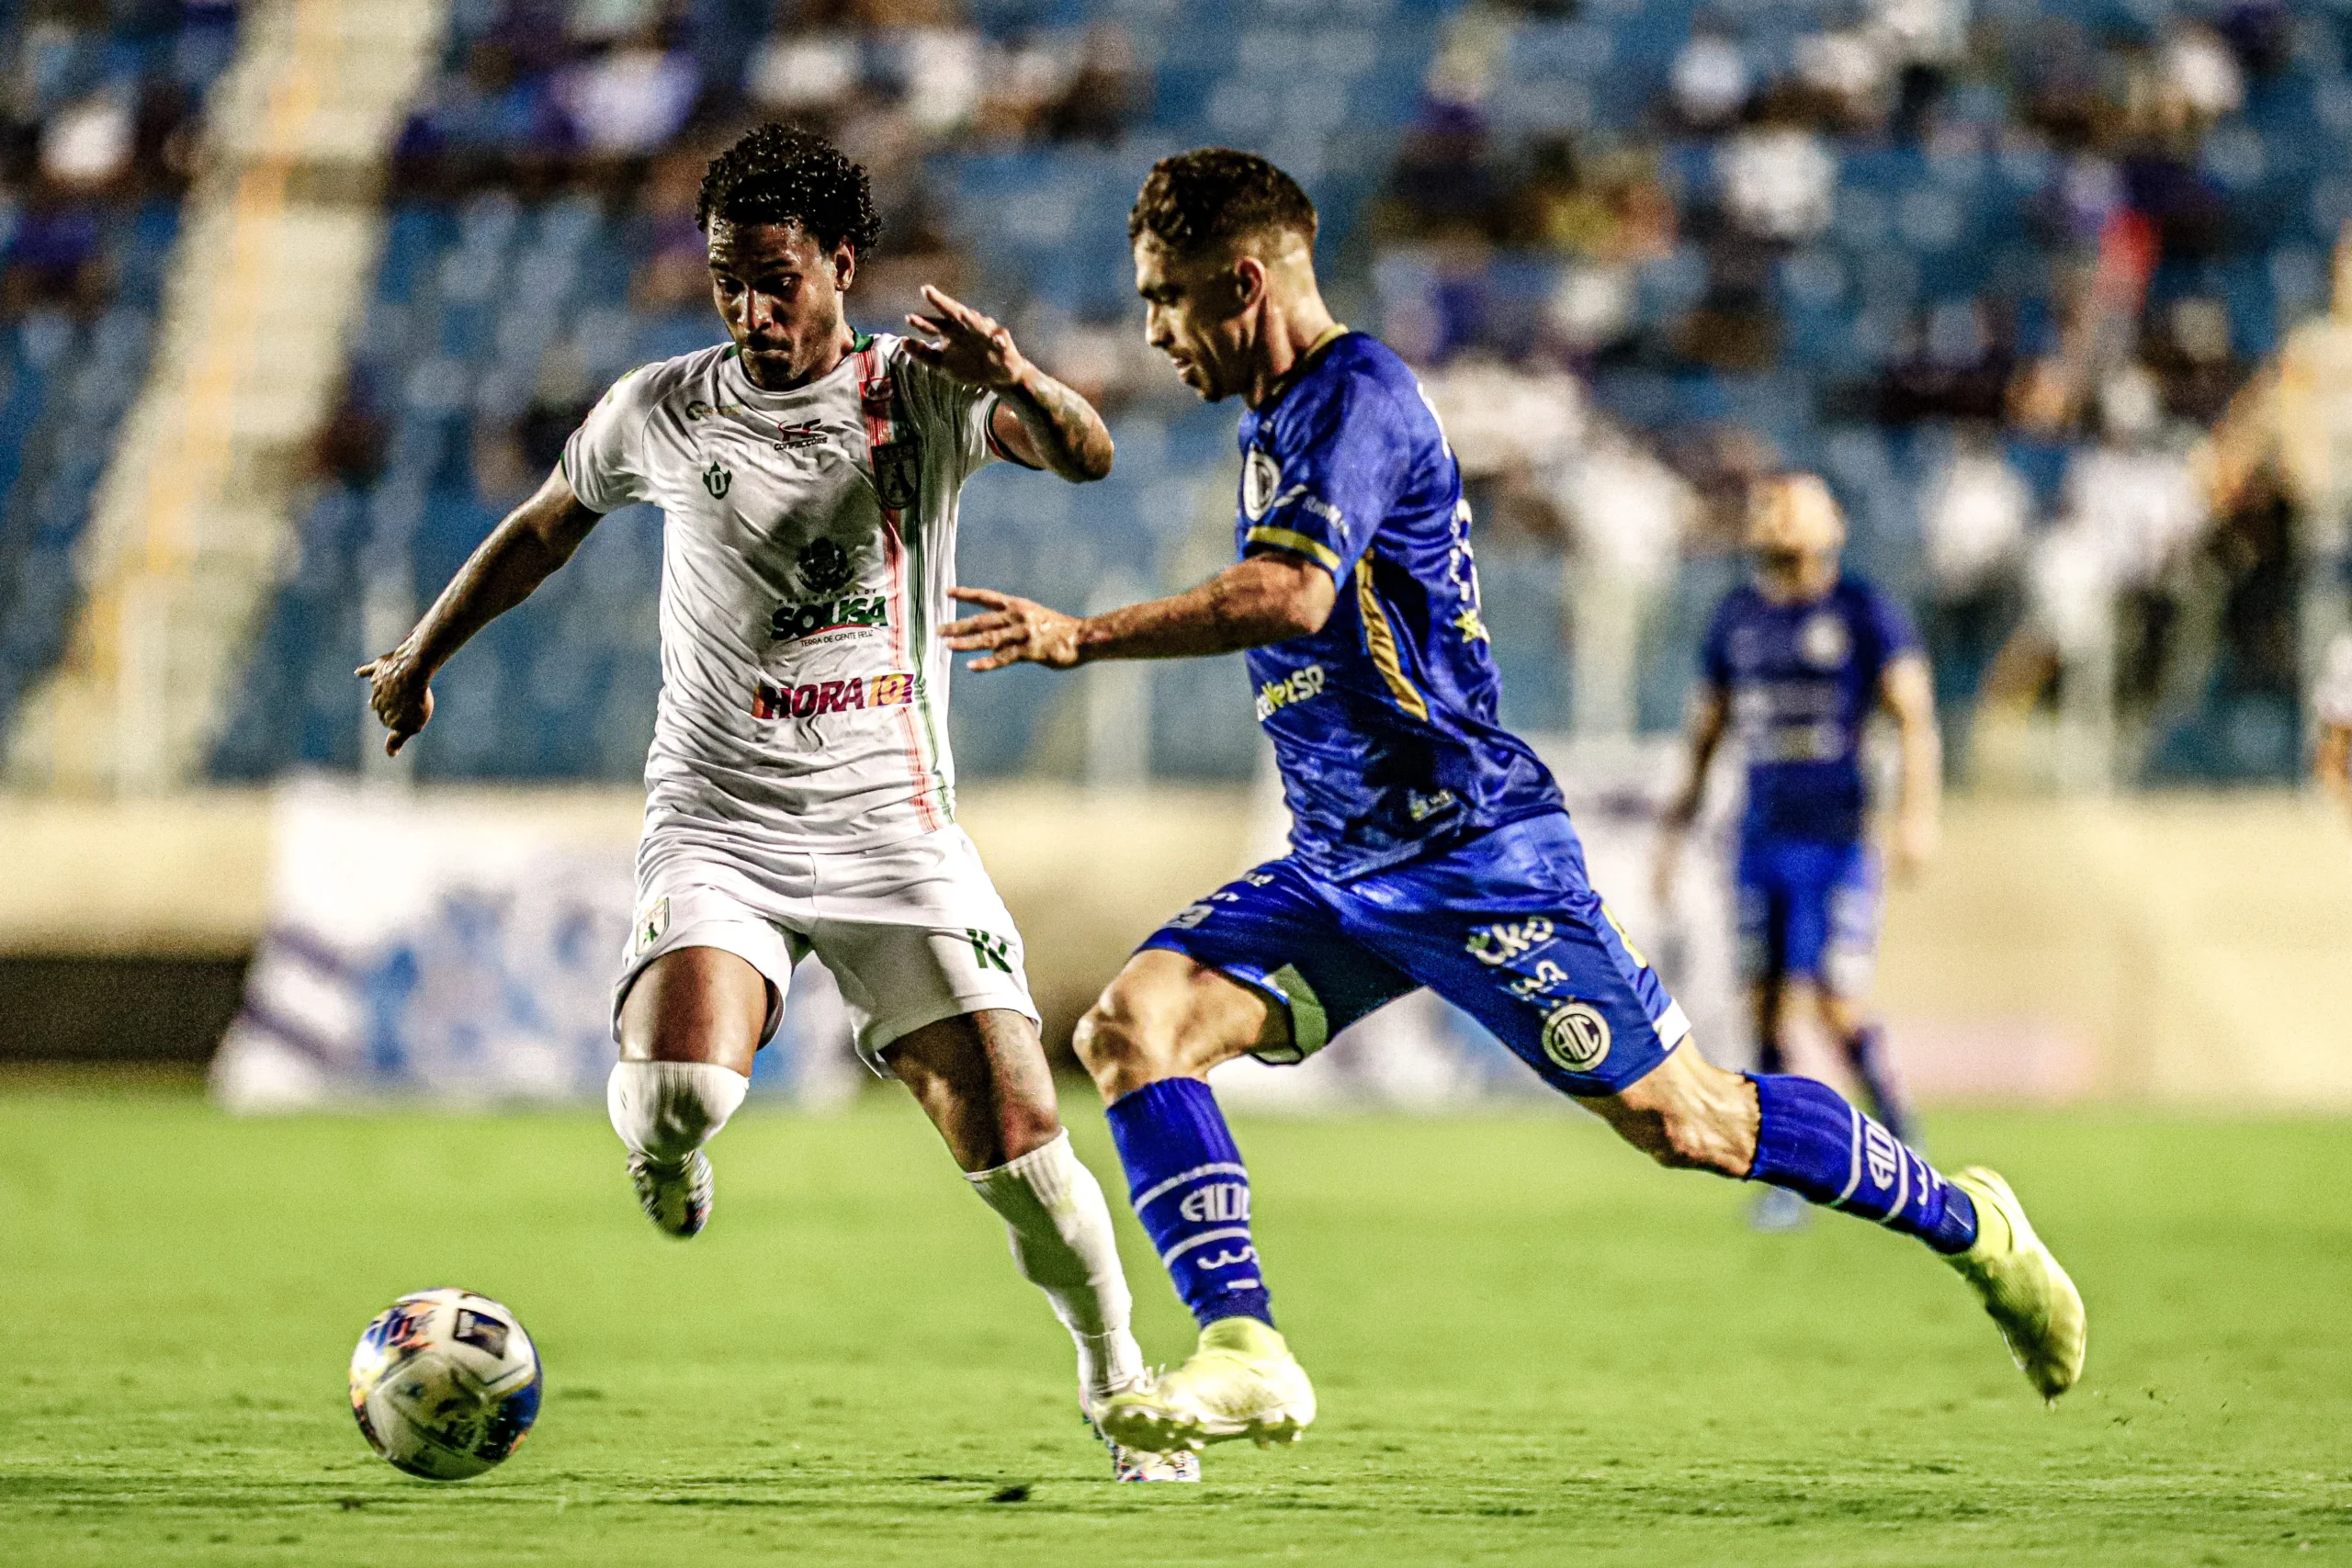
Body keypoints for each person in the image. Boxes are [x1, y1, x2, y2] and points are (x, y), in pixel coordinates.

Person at [942, 148, 2085, 1456]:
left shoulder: (1357, 396)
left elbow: (1295, 597)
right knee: (1135, 1027)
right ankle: (1244, 1348)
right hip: (1340, 863)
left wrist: (1085, 635)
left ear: (1244, 283)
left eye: (1167, 295)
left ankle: (1971, 1223)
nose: (1153, 328)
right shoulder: (1273, 420)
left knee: (1690, 1121)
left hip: (1467, 851)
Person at [357, 125, 1193, 1484]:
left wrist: (1018, 376)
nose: (751, 311)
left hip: (893, 830)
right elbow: (544, 525)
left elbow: (1085, 454)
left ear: (841, 264)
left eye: (776, 280)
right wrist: (418, 656)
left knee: (1025, 1146)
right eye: (727, 282)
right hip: (719, 822)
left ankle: (1123, 1387)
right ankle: (668, 1155)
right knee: (679, 1090)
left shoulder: (920, 389)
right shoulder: (661, 408)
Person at [1654, 472, 1941, 1232]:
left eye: (1796, 504)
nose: (1778, 516)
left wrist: (1917, 815)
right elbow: (1706, 731)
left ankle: (1903, 1140)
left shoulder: (1863, 611)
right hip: (1760, 838)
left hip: (1836, 840)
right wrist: (1673, 832)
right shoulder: (1737, 618)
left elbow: (1913, 716)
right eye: (1770, 506)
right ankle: (1784, 1174)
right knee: (1762, 1004)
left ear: (1834, 523)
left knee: (1837, 1003)